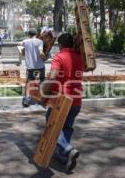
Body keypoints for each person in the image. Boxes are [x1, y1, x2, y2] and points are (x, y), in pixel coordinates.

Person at [41, 33, 84, 172]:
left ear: (59, 45)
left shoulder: (59, 57)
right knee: (67, 127)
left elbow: (52, 77)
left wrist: (44, 96)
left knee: (51, 124)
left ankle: (67, 149)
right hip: (77, 100)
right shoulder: (79, 57)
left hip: (61, 99)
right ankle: (64, 156)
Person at [20, 28, 47, 107]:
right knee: (41, 81)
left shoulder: (25, 42)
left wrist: (23, 51)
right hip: (40, 66)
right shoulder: (39, 41)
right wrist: (44, 58)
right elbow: (41, 52)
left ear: (29, 34)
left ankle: (27, 99)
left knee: (29, 82)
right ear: (36, 34)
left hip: (30, 66)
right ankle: (41, 99)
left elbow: (20, 44)